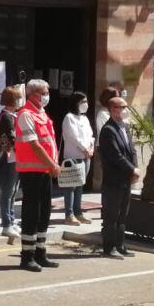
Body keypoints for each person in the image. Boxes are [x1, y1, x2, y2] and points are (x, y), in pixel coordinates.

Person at [15, 79, 61, 271]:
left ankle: (40, 252)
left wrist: (53, 163)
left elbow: (49, 140)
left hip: (45, 170)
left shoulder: (41, 113)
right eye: (43, 92)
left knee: (44, 213)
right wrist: (52, 165)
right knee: (31, 213)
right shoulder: (25, 114)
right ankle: (27, 256)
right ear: (33, 93)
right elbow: (34, 145)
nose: (46, 95)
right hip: (32, 171)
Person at [97, 94, 140, 258]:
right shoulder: (108, 130)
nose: (125, 110)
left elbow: (131, 150)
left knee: (123, 214)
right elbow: (115, 155)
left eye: (125, 107)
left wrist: (134, 169)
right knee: (112, 215)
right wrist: (131, 170)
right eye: (122, 107)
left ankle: (120, 245)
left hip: (126, 179)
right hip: (113, 180)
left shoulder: (124, 127)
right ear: (113, 109)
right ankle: (109, 247)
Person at [0, 86, 23, 241]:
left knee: (13, 191)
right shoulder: (6, 117)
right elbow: (10, 137)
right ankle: (6, 224)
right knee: (7, 192)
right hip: (10, 158)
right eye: (18, 98)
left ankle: (12, 220)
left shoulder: (12, 115)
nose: (20, 101)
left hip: (16, 158)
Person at [61, 90, 94, 226]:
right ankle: (69, 214)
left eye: (86, 101)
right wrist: (84, 149)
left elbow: (91, 135)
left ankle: (78, 212)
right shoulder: (69, 118)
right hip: (74, 156)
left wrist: (91, 148)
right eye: (82, 102)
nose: (85, 104)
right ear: (76, 103)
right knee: (71, 186)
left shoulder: (85, 119)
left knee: (80, 185)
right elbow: (73, 137)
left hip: (86, 156)